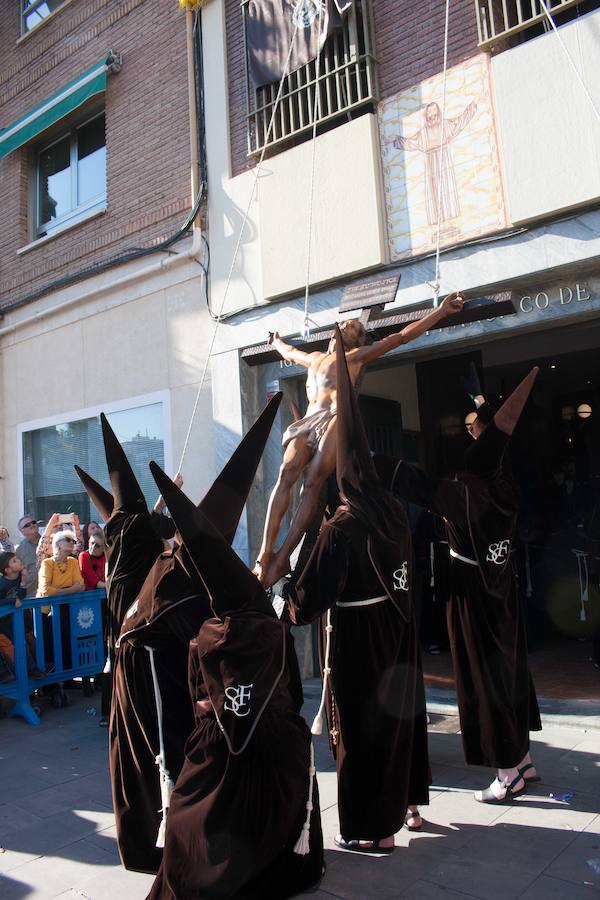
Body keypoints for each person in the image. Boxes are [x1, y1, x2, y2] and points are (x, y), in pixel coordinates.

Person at [76, 395, 283, 875]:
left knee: (131, 755)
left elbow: (147, 528)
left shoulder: (123, 548)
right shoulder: (170, 571)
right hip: (152, 666)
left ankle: (142, 842)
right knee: (165, 754)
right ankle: (181, 837)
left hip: (131, 656)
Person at [146, 462, 323, 900]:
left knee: (194, 806)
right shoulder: (274, 628)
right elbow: (294, 691)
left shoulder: (202, 638)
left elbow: (194, 697)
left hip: (219, 743)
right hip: (276, 741)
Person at [285, 328, 429, 854]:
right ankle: (410, 804)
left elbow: (312, 594)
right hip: (400, 629)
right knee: (401, 723)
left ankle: (377, 830)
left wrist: (286, 597)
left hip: (362, 640)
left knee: (365, 735)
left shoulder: (342, 523)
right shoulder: (392, 511)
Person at [375, 368, 542, 803]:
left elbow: (415, 484)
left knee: (485, 680)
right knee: (508, 672)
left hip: (473, 597)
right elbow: (496, 443)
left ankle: (508, 773)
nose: (471, 436)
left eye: (475, 433)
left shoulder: (467, 492)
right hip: (501, 589)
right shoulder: (504, 483)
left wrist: (365, 456)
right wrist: (482, 404)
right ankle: (522, 758)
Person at [254, 292, 465, 587]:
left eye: (353, 329)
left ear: (354, 341)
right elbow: (289, 353)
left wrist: (440, 312)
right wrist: (276, 341)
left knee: (312, 483)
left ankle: (282, 559)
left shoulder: (354, 358)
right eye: (346, 325)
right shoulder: (314, 359)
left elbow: (402, 336)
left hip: (334, 420)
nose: (348, 326)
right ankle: (265, 555)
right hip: (308, 423)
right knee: (286, 472)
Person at [0, 551, 43, 679]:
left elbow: (21, 595)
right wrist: (12, 601)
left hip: (18, 619)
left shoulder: (19, 577)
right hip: (5, 622)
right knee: (19, 645)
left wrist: (23, 582)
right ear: (7, 570)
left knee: (29, 641)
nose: (18, 561)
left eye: (17, 559)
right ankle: (29, 670)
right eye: (14, 561)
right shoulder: (2, 584)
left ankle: (36, 668)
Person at [16, 515, 41, 596]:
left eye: (33, 522)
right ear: (22, 532)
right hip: (31, 597)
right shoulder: (19, 550)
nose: (32, 525)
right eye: (27, 525)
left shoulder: (49, 541)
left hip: (52, 595)